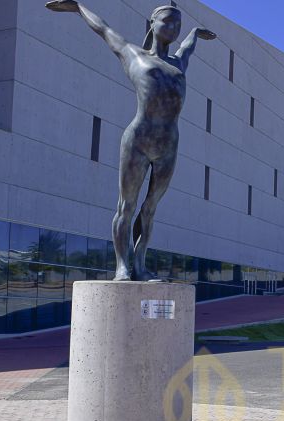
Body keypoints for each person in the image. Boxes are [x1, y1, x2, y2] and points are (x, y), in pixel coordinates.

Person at [45, 1, 216, 281]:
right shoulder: (132, 54)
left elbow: (188, 47)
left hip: (168, 145)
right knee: (127, 205)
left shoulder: (178, 64)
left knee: (150, 209)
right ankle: (122, 265)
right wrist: (77, 7)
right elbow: (103, 28)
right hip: (138, 140)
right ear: (152, 24)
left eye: (178, 25)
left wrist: (195, 32)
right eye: (167, 21)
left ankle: (140, 263)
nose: (173, 28)